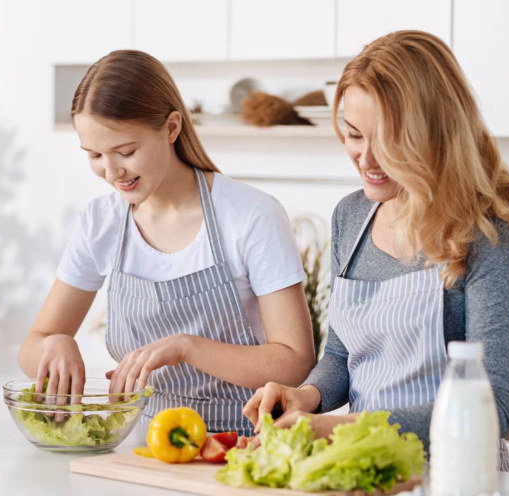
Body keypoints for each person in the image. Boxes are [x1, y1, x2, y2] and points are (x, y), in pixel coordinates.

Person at [243, 30, 509, 469]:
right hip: (364, 470)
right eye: (353, 135)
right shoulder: (351, 218)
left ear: (433, 134)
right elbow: (341, 356)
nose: (366, 159)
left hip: (455, 482)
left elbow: (495, 408)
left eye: (387, 141)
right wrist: (305, 397)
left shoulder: (484, 236)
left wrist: (339, 429)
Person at [18, 50, 315, 435]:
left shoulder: (251, 215)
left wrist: (188, 347)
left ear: (172, 127)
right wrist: (54, 344)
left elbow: (294, 361)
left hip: (241, 445)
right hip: (141, 444)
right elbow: (32, 347)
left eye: (126, 152)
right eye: (94, 155)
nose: (111, 172)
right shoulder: (101, 221)